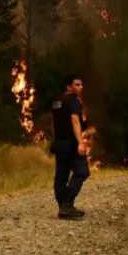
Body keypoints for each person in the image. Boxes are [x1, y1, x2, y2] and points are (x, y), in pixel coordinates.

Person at [51, 74, 90, 219]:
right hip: (71, 144)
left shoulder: (56, 101)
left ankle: (63, 207)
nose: (80, 87)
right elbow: (75, 121)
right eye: (77, 85)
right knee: (82, 172)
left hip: (60, 143)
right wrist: (80, 142)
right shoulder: (73, 100)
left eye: (81, 84)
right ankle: (67, 204)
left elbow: (54, 122)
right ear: (69, 86)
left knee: (61, 175)